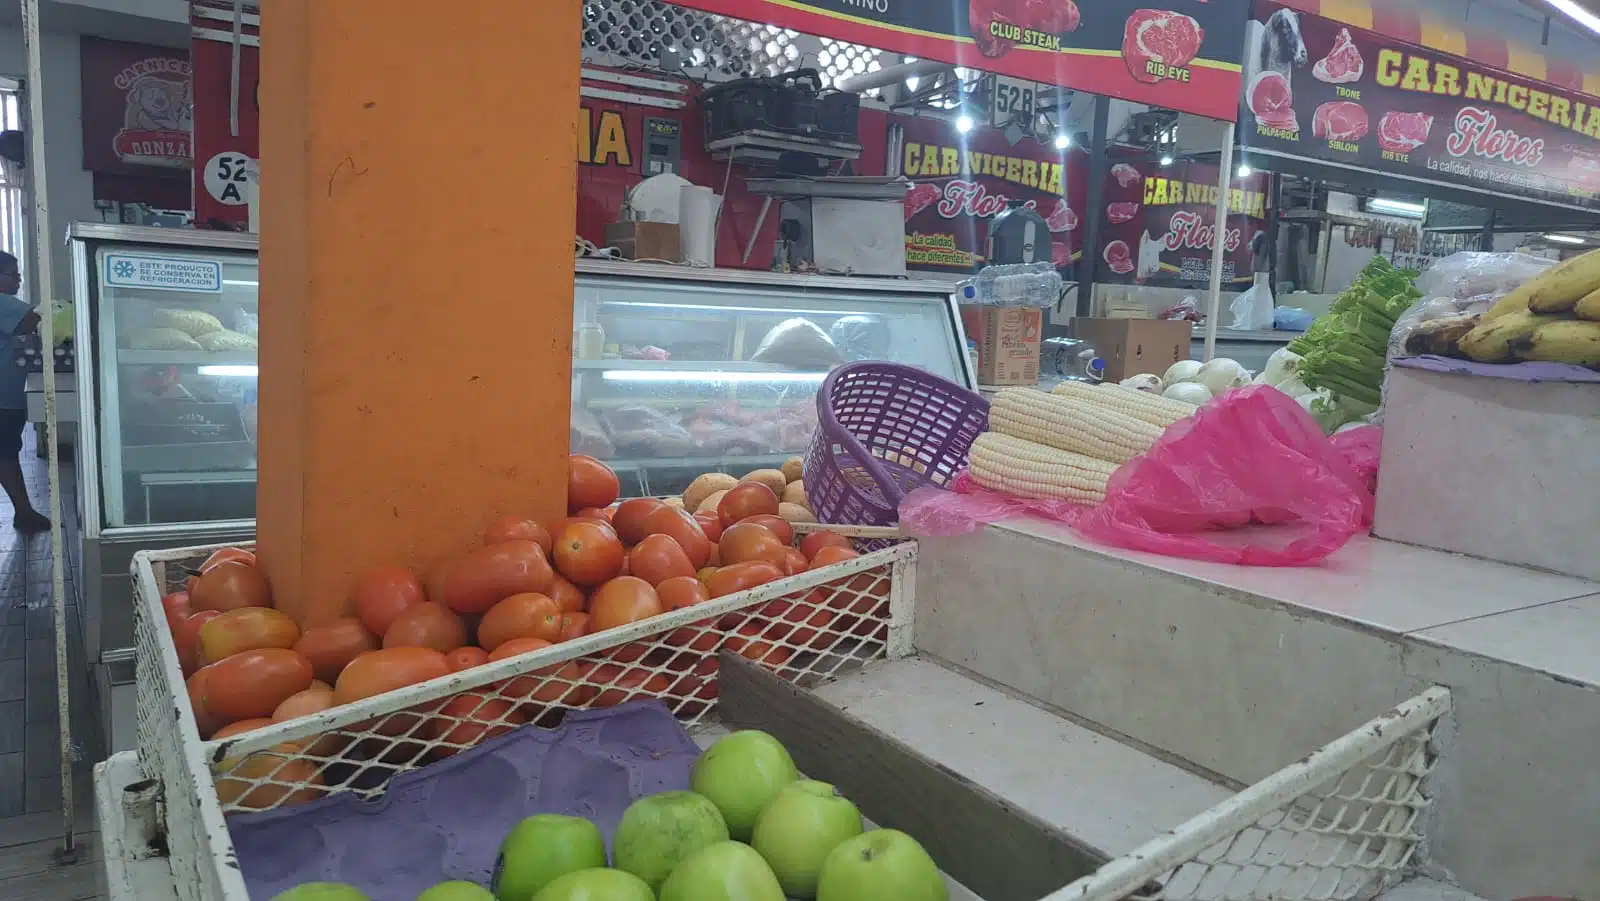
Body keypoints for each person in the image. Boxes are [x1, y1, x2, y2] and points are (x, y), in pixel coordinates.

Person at [0, 251, 48, 531]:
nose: (18, 278)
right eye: (12, 274)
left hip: (9, 394)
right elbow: (36, 320)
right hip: (4, 396)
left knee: (8, 452)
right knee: (5, 453)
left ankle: (24, 510)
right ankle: (23, 512)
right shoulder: (3, 303)